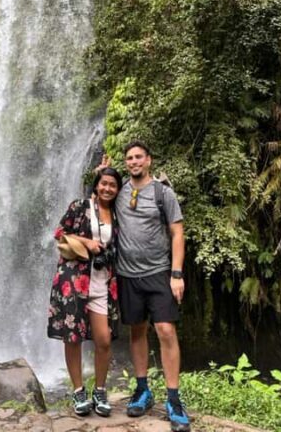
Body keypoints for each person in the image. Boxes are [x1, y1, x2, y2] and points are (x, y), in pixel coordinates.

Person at [115, 140, 191, 432]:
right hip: (127, 275)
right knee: (136, 330)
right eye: (129, 158)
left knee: (166, 330)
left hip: (159, 273)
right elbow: (97, 203)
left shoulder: (163, 193)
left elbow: (177, 233)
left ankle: (173, 399)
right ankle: (143, 389)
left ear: (149, 160)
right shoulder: (119, 191)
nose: (134, 161)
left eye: (139, 157)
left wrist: (176, 273)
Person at [47, 167, 122, 418]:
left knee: (103, 339)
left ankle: (99, 390)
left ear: (118, 189)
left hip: (102, 282)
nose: (107, 188)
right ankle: (79, 391)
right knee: (73, 337)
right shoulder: (80, 206)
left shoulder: (117, 213)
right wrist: (88, 243)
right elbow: (59, 233)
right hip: (74, 280)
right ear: (96, 185)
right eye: (104, 183)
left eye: (112, 185)